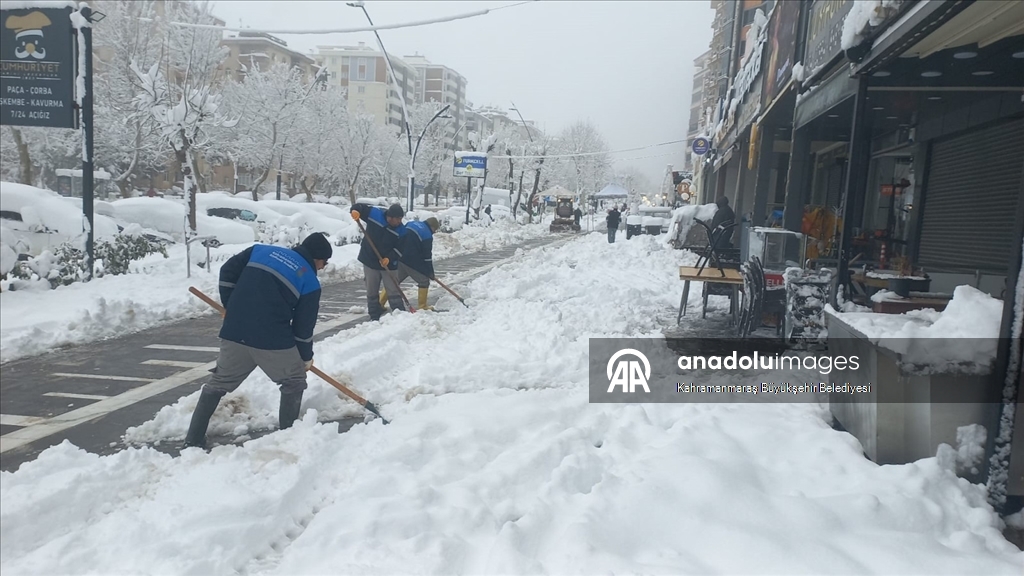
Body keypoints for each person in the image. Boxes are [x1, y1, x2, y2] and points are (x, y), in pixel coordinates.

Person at [183, 232, 332, 449]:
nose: (322, 267)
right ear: (317, 258)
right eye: (324, 263)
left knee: (218, 383)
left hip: (234, 331)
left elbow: (227, 272)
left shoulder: (259, 251)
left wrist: (231, 306)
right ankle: (288, 438)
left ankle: (193, 440)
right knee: (294, 381)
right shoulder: (309, 281)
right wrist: (305, 358)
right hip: (272, 339)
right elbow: (303, 328)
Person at [352, 202, 406, 320]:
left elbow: (400, 249)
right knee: (372, 290)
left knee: (393, 290)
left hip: (388, 264)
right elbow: (360, 207)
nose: (399, 222)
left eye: (401, 219)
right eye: (397, 219)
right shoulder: (375, 214)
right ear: (389, 217)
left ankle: (400, 316)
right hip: (369, 259)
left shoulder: (401, 230)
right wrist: (355, 211)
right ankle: (374, 316)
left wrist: (389, 258)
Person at [379, 216, 440, 311]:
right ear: (432, 227)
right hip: (412, 261)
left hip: (399, 255)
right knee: (424, 281)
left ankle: (380, 303)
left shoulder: (411, 223)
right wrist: (430, 273)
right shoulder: (427, 235)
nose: (434, 232)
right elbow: (427, 256)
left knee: (394, 281)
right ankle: (423, 306)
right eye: (435, 230)